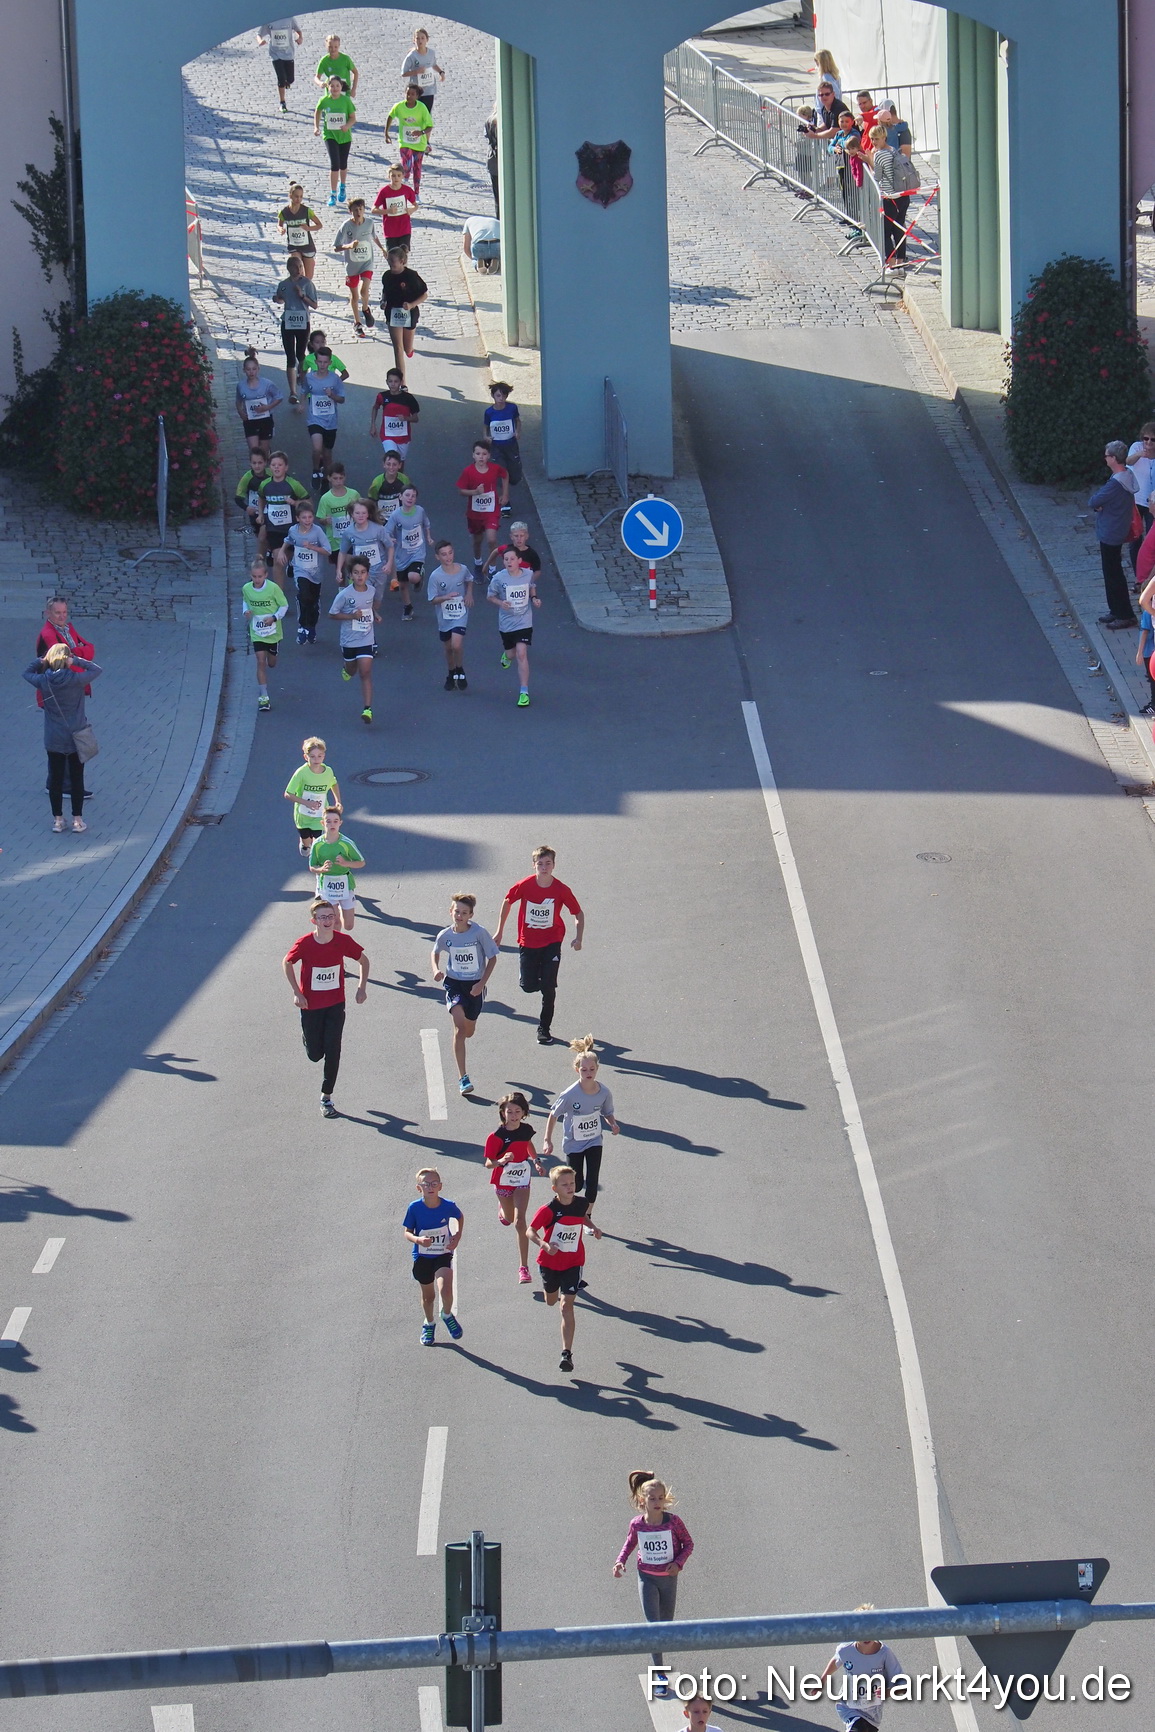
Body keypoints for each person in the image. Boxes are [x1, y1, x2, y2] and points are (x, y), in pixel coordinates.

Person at [283, 897, 368, 1118]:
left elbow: (364, 961)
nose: (328, 921)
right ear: (314, 921)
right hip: (310, 1005)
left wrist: (361, 988)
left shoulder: (342, 940)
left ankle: (326, 1096)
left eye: (331, 916)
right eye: (323, 917)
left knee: (333, 1050)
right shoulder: (305, 943)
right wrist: (296, 992)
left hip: (335, 1004)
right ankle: (307, 1038)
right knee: (314, 1054)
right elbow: (287, 962)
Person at [613, 1473, 694, 1695]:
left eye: (660, 1498)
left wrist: (678, 1563)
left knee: (666, 1627)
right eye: (652, 1499)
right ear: (642, 1501)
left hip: (668, 1580)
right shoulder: (637, 1524)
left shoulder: (674, 1522)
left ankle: (659, 1665)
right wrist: (620, 1562)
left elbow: (688, 1544)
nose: (657, 1503)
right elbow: (629, 1544)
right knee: (654, 1628)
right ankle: (659, 1674)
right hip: (646, 1578)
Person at [495, 845, 583, 1045]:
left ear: (554, 865)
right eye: (540, 864)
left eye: (548, 863)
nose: (544, 867)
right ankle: (530, 976)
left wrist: (579, 937)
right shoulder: (525, 885)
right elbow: (508, 901)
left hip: (552, 941)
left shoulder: (561, 889)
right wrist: (499, 931)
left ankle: (544, 1029)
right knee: (529, 986)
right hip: (528, 941)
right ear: (534, 865)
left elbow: (578, 913)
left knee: (549, 988)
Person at [24, 642, 101, 833]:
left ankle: (58, 820)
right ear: (67, 659)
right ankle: (77, 820)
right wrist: (76, 660)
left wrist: (40, 661)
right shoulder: (76, 679)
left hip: (53, 737)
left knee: (56, 779)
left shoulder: (44, 681)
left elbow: (26, 673)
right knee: (77, 779)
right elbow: (96, 669)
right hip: (76, 736)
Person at [529, 1165, 600, 1372]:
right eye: (565, 1184)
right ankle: (555, 1291)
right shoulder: (548, 1210)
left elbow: (582, 1217)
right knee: (551, 1301)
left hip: (573, 1261)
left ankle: (566, 1354)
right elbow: (530, 1231)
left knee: (565, 1306)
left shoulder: (581, 1203)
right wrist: (544, 1244)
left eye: (572, 1183)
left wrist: (592, 1227)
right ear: (554, 1188)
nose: (570, 1187)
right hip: (549, 1262)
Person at [430, 893, 499, 1093]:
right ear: (451, 912)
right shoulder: (445, 935)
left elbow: (493, 958)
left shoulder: (479, 933)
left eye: (464, 913)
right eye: (457, 911)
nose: (459, 916)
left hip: (475, 986)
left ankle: (469, 1024)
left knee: (469, 1030)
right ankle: (463, 1078)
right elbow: (435, 952)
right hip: (454, 984)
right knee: (460, 1029)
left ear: (471, 915)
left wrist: (481, 984)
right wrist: (436, 969)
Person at [542, 1035, 619, 1208]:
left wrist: (612, 1123)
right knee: (576, 1183)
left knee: (592, 1183)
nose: (588, 1073)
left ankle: (587, 1215)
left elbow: (607, 1112)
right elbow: (553, 1114)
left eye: (592, 1069)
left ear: (597, 1069)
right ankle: (572, 1209)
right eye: (584, 1070)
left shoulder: (604, 1092)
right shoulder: (569, 1095)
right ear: (577, 1070)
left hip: (594, 1140)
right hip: (573, 1143)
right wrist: (547, 1139)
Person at [483, 1093, 544, 1283]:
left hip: (522, 1179)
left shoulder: (526, 1130)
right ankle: (503, 1212)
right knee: (509, 1219)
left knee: (520, 1222)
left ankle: (523, 1268)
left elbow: (528, 1144)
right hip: (502, 1180)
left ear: (524, 1112)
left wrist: (536, 1161)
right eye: (510, 1112)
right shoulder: (496, 1137)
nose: (514, 1115)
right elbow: (488, 1163)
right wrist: (501, 1161)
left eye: (518, 1111)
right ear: (503, 1113)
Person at [403, 1169, 464, 1344]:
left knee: (446, 1289)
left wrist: (457, 1236)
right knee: (428, 1297)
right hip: (422, 1255)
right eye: (426, 1184)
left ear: (440, 1186)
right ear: (418, 1188)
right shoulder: (414, 1208)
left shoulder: (448, 1205)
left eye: (434, 1183)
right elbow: (407, 1232)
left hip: (442, 1252)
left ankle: (446, 1314)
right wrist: (418, 1239)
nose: (430, 1187)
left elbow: (460, 1217)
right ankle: (429, 1323)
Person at [819, 1614, 904, 1730]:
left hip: (872, 1716)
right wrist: (823, 1679)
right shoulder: (845, 1649)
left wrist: (887, 1692)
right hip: (848, 1708)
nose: (866, 1636)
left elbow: (903, 1686)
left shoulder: (885, 1654)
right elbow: (836, 1660)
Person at [1089, 442, 1140, 628]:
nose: (1105, 458)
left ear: (1113, 458)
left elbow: (1094, 500)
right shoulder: (1126, 476)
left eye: (1107, 455)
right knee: (1113, 572)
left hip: (1111, 532)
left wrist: (1100, 506)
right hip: (1118, 529)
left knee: (1113, 574)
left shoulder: (1115, 484)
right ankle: (1116, 610)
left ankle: (1124, 614)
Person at [329, 556, 380, 723]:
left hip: (366, 637)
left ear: (367, 574)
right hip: (349, 640)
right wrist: (351, 616)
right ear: (350, 575)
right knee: (352, 670)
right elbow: (332, 614)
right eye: (356, 573)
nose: (360, 576)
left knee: (365, 672)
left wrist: (376, 614)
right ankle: (346, 668)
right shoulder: (345, 594)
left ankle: (367, 709)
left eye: (363, 572)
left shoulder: (371, 590)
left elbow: (370, 606)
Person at [487, 544, 538, 707]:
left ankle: (524, 692)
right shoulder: (499, 578)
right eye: (506, 559)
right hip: (507, 623)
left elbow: (532, 587)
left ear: (519, 561)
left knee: (522, 653)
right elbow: (490, 596)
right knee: (511, 654)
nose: (509, 562)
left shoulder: (528, 574)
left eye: (512, 559)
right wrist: (500, 603)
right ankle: (506, 656)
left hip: (524, 621)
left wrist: (535, 598)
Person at [279, 498, 331, 643]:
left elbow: (328, 550)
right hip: (300, 569)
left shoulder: (317, 531)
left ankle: (311, 627)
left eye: (310, 517)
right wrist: (282, 552)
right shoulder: (293, 530)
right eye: (304, 517)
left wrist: (313, 547)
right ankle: (302, 626)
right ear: (297, 518)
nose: (308, 520)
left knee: (313, 602)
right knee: (304, 595)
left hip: (316, 572)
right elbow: (288, 539)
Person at [241, 555, 288, 712]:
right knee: (260, 661)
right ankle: (264, 696)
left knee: (271, 663)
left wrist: (274, 617)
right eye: (254, 576)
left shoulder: (273, 588)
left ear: (266, 575)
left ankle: (273, 653)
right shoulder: (247, 588)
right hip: (257, 631)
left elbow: (284, 605)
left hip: (273, 631)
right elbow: (245, 601)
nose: (257, 579)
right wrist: (246, 611)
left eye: (260, 576)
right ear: (250, 576)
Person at [309, 805, 365, 932]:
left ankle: (340, 907)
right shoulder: (317, 844)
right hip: (327, 885)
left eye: (335, 821)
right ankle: (337, 950)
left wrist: (346, 863)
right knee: (335, 924)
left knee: (349, 926)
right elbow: (312, 866)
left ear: (340, 823)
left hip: (344, 884)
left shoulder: (346, 843)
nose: (332, 824)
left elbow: (361, 862)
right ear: (323, 823)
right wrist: (321, 869)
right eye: (328, 821)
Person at [334, 196, 384, 338]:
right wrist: (349, 246)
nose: (358, 212)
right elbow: (336, 247)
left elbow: (374, 237)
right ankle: (357, 323)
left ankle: (366, 309)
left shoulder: (369, 223)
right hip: (352, 265)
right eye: (355, 210)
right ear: (350, 211)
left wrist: (382, 249)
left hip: (366, 261)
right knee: (355, 295)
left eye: (361, 209)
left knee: (364, 289)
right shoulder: (346, 226)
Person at [457, 439, 509, 575]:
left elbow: (505, 475)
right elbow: (461, 491)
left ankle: (492, 569)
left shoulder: (494, 469)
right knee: (477, 540)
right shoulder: (468, 472)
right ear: (473, 455)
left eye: (484, 454)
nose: (481, 457)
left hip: (491, 510)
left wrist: (505, 494)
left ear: (489, 456)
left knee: (491, 539)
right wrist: (475, 492)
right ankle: (478, 563)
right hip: (475, 513)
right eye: (478, 454)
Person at [284, 735, 340, 858]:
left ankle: (316, 858)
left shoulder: (328, 771)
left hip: (319, 814)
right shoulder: (301, 773)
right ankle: (305, 844)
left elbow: (333, 783)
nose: (316, 759)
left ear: (324, 756)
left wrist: (338, 801)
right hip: (303, 816)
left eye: (320, 756)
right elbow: (288, 794)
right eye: (312, 756)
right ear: (306, 757)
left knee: (318, 841)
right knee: (306, 841)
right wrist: (306, 803)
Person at [272, 254, 317, 403]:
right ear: (289, 268)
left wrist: (302, 296)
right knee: (290, 357)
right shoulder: (283, 284)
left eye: (300, 267)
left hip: (303, 322)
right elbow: (280, 297)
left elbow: (314, 304)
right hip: (288, 322)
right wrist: (277, 299)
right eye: (295, 267)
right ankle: (293, 392)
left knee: (301, 354)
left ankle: (303, 384)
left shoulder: (307, 284)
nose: (298, 270)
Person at [428, 538, 472, 688]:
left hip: (460, 614)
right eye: (444, 554)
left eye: (450, 553)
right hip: (444, 616)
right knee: (448, 648)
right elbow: (432, 599)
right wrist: (445, 597)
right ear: (437, 557)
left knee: (456, 645)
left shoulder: (463, 569)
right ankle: (451, 672)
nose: (448, 557)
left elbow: (469, 580)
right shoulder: (435, 576)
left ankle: (460, 669)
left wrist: (469, 594)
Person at [385, 484, 433, 621]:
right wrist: (390, 538)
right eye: (407, 495)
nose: (410, 498)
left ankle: (419, 575)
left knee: (413, 577)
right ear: (400, 497)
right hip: (401, 554)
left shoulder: (420, 511)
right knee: (403, 584)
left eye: (413, 496)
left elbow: (426, 524)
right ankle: (408, 606)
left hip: (417, 551)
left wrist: (428, 537)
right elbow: (387, 531)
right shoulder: (396, 515)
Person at [380, 248, 428, 378]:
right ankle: (402, 383)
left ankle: (410, 350)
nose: (390, 263)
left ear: (402, 261)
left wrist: (411, 305)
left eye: (392, 261)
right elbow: (385, 292)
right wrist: (383, 301)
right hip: (393, 313)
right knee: (398, 349)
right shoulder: (387, 276)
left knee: (407, 349)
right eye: (388, 260)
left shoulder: (411, 276)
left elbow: (424, 295)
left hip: (409, 313)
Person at [866, 125, 911, 265]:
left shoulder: (879, 154)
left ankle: (891, 264)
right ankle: (900, 262)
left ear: (884, 137)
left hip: (890, 198)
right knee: (899, 230)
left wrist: (869, 161)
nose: (874, 142)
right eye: (872, 139)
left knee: (885, 232)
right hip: (902, 196)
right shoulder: (893, 150)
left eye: (876, 139)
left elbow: (877, 177)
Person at [303, 346, 345, 490]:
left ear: (329, 362)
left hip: (330, 421)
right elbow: (304, 390)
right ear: (315, 362)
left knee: (327, 454)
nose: (322, 365)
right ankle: (315, 471)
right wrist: (301, 403)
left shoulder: (335, 379)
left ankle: (326, 480)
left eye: (325, 362)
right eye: (320, 362)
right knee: (317, 448)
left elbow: (342, 399)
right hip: (314, 419)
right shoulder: (309, 377)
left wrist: (332, 395)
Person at [314, 73, 356, 210]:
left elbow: (353, 118)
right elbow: (318, 111)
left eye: (337, 86)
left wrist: (346, 126)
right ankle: (332, 193)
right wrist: (316, 127)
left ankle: (342, 186)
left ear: (341, 86)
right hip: (330, 135)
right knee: (334, 164)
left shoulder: (346, 101)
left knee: (343, 164)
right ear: (328, 87)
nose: (335, 88)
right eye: (332, 86)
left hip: (345, 136)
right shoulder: (324, 100)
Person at [258, 450, 310, 562]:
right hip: (273, 528)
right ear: (269, 467)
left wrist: (295, 503)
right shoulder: (264, 484)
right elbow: (261, 497)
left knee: (289, 555)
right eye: (273, 465)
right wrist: (261, 514)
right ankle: (262, 560)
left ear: (286, 468)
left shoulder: (293, 484)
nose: (276, 468)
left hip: (291, 527)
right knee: (278, 558)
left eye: (280, 465)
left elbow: (309, 502)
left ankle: (291, 563)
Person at [385, 85, 434, 197]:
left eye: (412, 94)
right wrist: (386, 133)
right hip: (405, 141)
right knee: (406, 165)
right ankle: (404, 179)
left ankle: (416, 194)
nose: (409, 96)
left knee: (417, 168)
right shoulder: (399, 106)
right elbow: (390, 116)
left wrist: (420, 133)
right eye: (407, 93)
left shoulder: (422, 108)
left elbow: (430, 126)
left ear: (417, 96)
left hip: (419, 143)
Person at [235, 351, 283, 460]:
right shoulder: (241, 386)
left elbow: (279, 397)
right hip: (250, 421)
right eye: (248, 369)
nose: (251, 372)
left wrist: (267, 407)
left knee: (263, 450)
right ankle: (257, 473)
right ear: (244, 371)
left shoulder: (267, 384)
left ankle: (265, 468)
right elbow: (238, 401)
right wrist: (241, 412)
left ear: (258, 369)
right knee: (254, 450)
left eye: (254, 369)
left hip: (265, 420)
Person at [337, 498, 393, 589]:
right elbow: (342, 552)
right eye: (357, 513)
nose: (361, 516)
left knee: (377, 599)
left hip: (379, 570)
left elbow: (390, 546)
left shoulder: (378, 529)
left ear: (368, 514)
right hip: (361, 571)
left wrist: (389, 564)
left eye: (363, 513)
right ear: (352, 515)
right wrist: (339, 570)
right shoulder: (348, 532)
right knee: (365, 596)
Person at [371, 367, 420, 464]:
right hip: (387, 435)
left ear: (401, 382)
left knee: (399, 463)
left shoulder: (408, 398)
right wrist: (373, 425)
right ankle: (389, 478)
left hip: (403, 437)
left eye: (396, 381)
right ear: (386, 382)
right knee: (391, 460)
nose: (393, 384)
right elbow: (375, 408)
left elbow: (416, 418)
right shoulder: (382, 396)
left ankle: (399, 479)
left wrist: (406, 418)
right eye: (390, 381)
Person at [316, 462, 359, 571]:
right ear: (329, 478)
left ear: (344, 477)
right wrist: (325, 520)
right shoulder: (326, 498)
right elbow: (320, 518)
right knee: (340, 568)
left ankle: (352, 586)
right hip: (335, 540)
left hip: (352, 537)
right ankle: (342, 587)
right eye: (335, 478)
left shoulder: (353, 494)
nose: (338, 481)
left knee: (351, 564)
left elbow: (362, 510)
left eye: (341, 478)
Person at [484, 382, 521, 501]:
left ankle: (509, 480)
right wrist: (486, 436)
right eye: (498, 396)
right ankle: (505, 501)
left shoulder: (512, 408)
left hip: (511, 446)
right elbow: (485, 426)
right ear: (493, 396)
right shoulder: (489, 412)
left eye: (504, 396)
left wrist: (517, 432)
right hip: (496, 447)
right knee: (501, 472)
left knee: (515, 477)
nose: (501, 399)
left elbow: (518, 421)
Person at [278, 183, 323, 279]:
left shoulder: (307, 211)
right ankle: (299, 291)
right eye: (296, 196)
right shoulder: (284, 212)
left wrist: (308, 228)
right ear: (290, 196)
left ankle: (307, 290)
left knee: (308, 278)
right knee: (298, 273)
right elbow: (279, 224)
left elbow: (319, 225)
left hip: (307, 245)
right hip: (294, 245)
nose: (298, 199)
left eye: (301, 197)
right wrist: (281, 229)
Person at [257, 17, 302, 112]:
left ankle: (286, 82)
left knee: (290, 79)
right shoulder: (269, 20)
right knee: (281, 78)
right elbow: (259, 34)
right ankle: (282, 102)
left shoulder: (290, 19)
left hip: (288, 53)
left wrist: (300, 38)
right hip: (275, 54)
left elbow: (298, 30)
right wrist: (260, 41)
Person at [374, 163, 418, 255]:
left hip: (404, 228)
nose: (396, 178)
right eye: (393, 176)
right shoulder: (384, 191)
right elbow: (374, 209)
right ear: (389, 176)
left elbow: (415, 205)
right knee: (393, 258)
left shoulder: (407, 190)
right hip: (390, 230)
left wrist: (411, 210)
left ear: (403, 176)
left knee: (403, 256)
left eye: (398, 175)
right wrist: (387, 211)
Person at [400, 27, 444, 111]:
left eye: (423, 38)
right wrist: (416, 72)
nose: (420, 40)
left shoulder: (431, 53)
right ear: (414, 40)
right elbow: (403, 73)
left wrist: (441, 72)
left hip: (429, 89)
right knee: (416, 114)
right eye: (417, 38)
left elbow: (433, 64)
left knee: (427, 114)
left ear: (427, 40)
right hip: (416, 92)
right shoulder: (411, 56)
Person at [235, 449, 270, 548]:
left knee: (268, 532)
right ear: (250, 463)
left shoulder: (271, 474)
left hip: (269, 510)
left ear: (265, 463)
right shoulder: (247, 478)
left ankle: (269, 551)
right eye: (254, 463)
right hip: (254, 512)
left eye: (260, 463)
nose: (257, 466)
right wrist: (246, 508)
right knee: (259, 534)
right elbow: (238, 498)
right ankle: (266, 549)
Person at [314, 33, 357, 100]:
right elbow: (316, 77)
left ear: (339, 46)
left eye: (335, 47)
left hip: (344, 91)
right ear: (326, 46)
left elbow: (355, 72)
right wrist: (320, 83)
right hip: (330, 91)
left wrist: (353, 89)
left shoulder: (345, 59)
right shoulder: (324, 61)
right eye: (330, 47)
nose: (333, 49)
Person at [367, 449, 411, 513]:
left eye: (394, 464)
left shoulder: (404, 480)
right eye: (388, 464)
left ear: (400, 465)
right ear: (384, 464)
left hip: (399, 516)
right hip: (381, 518)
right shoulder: (377, 483)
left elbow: (409, 498)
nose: (391, 467)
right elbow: (371, 501)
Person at [1136, 599, 1155, 717]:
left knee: (1152, 679)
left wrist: (1139, 652)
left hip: (1149, 652)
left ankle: (1153, 705)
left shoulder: (1147, 613)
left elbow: (1144, 632)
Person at [484, 104, 499, 215]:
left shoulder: (489, 120)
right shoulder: (500, 121)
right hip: (501, 162)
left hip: (493, 161)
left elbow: (487, 137)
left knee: (498, 197)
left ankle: (499, 221)